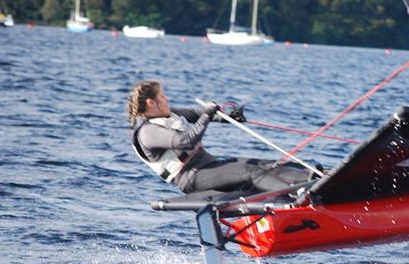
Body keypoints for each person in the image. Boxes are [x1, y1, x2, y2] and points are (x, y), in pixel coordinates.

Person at [128, 79, 312, 195]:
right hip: (193, 177)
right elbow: (186, 141)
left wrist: (227, 118)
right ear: (151, 102)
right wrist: (207, 115)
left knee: (265, 165)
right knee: (250, 172)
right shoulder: (147, 132)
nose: (167, 99)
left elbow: (194, 112)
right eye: (163, 96)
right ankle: (300, 194)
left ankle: (309, 179)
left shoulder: (167, 114)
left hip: (208, 165)